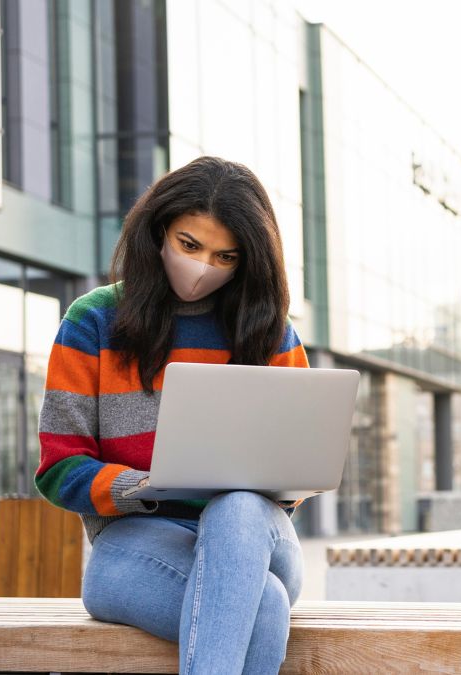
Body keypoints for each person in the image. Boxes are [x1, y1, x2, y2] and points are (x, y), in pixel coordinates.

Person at [35, 156, 309, 674]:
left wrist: (268, 482)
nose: (203, 266)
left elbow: (298, 472)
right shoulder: (93, 320)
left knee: (237, 508)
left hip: (258, 541)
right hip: (132, 548)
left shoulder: (270, 332)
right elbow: (58, 469)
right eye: (190, 245)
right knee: (265, 608)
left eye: (225, 256)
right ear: (159, 230)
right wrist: (148, 486)